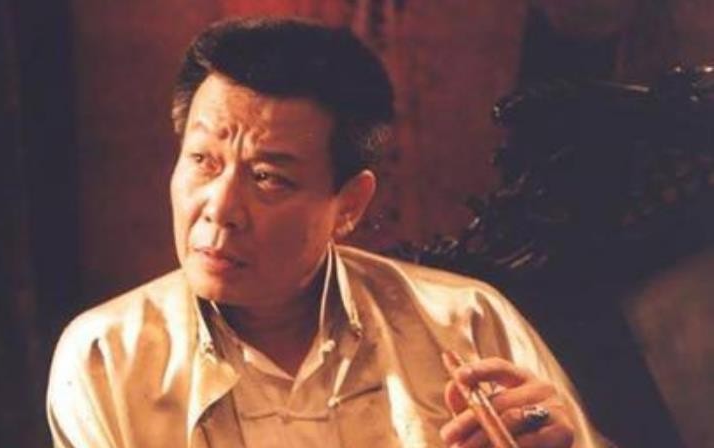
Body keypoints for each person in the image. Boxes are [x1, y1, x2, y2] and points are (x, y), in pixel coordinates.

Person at [47, 17, 604, 448]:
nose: (220, 209)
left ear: (349, 204)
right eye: (203, 161)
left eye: (267, 177)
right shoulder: (107, 357)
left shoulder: (467, 323)